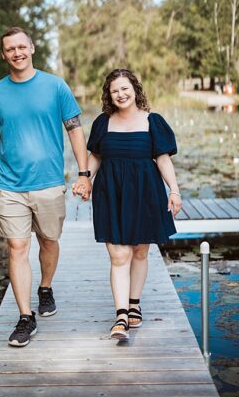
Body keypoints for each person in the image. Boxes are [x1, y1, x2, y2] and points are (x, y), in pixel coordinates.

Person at [0, 26, 92, 347]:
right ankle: (25, 317)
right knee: (17, 247)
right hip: (10, 185)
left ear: (31, 48)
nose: (17, 53)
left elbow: (74, 130)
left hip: (49, 183)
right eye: (10, 49)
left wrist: (84, 173)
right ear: (3, 55)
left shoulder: (55, 87)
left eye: (21, 47)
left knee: (48, 240)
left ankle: (45, 287)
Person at [73, 68, 182, 340]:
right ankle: (121, 315)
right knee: (119, 254)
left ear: (135, 89)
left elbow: (163, 159)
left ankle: (135, 304)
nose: (121, 94)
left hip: (145, 190)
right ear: (109, 96)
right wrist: (86, 178)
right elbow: (95, 156)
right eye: (114, 91)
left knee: (140, 252)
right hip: (111, 191)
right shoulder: (103, 123)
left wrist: (175, 191)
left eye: (125, 88)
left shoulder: (153, 121)